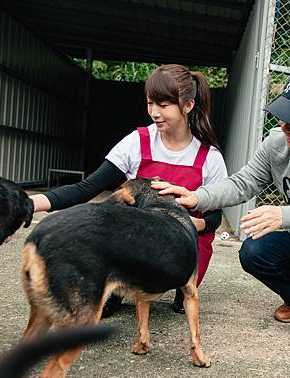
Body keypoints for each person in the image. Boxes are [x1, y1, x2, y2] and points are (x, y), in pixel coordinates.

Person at [155, 66, 290, 352]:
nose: (285, 127)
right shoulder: (277, 141)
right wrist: (197, 198)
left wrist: (283, 215)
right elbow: (243, 183)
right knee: (252, 250)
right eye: (283, 118)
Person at [30, 64, 227, 316]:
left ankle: (180, 287)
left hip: (182, 243)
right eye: (150, 103)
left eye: (163, 105)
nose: (154, 113)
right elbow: (87, 188)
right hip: (141, 238)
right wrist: (30, 204)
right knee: (108, 216)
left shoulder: (209, 157)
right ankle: (116, 287)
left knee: (184, 294)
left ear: (188, 105)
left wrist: (191, 224)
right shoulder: (137, 142)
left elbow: (214, 217)